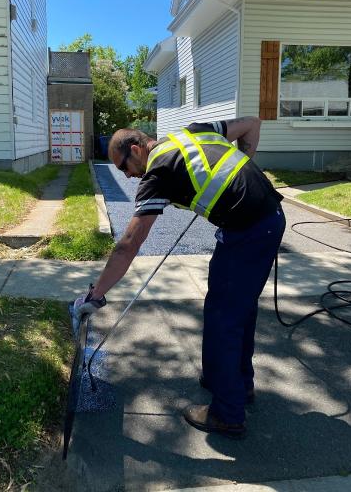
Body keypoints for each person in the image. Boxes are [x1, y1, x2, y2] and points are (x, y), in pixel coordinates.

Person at [74, 116, 285, 439]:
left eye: (124, 167)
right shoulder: (191, 133)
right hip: (264, 217)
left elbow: (129, 244)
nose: (128, 176)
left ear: (136, 149)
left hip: (250, 228)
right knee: (237, 307)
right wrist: (245, 165)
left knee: (224, 317)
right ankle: (235, 383)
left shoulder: (158, 171)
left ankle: (228, 413)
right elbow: (250, 125)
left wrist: (96, 295)